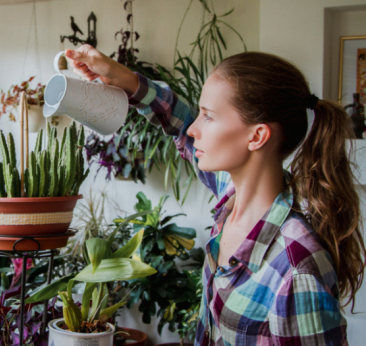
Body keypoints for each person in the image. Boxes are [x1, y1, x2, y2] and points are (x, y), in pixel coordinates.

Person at [65, 44, 366, 345]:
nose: (194, 128)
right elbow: (178, 122)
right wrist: (125, 80)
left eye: (208, 117)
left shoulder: (297, 270)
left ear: (257, 136)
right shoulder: (230, 193)